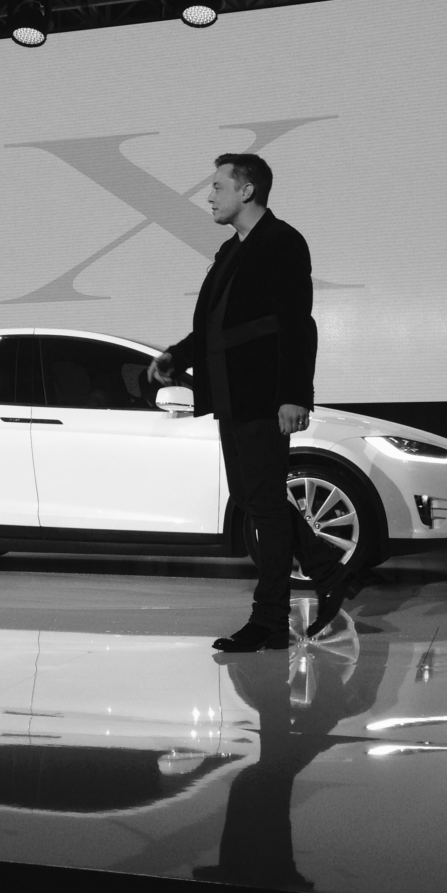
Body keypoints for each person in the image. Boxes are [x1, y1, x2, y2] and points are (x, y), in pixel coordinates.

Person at [147, 154, 360, 651]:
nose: (209, 196)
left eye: (218, 186)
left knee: (262, 505)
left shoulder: (282, 242)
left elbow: (297, 324)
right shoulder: (230, 250)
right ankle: (328, 572)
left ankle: (269, 619)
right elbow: (217, 326)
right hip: (232, 394)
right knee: (252, 500)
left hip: (264, 395)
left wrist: (294, 395)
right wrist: (177, 356)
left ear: (247, 191)